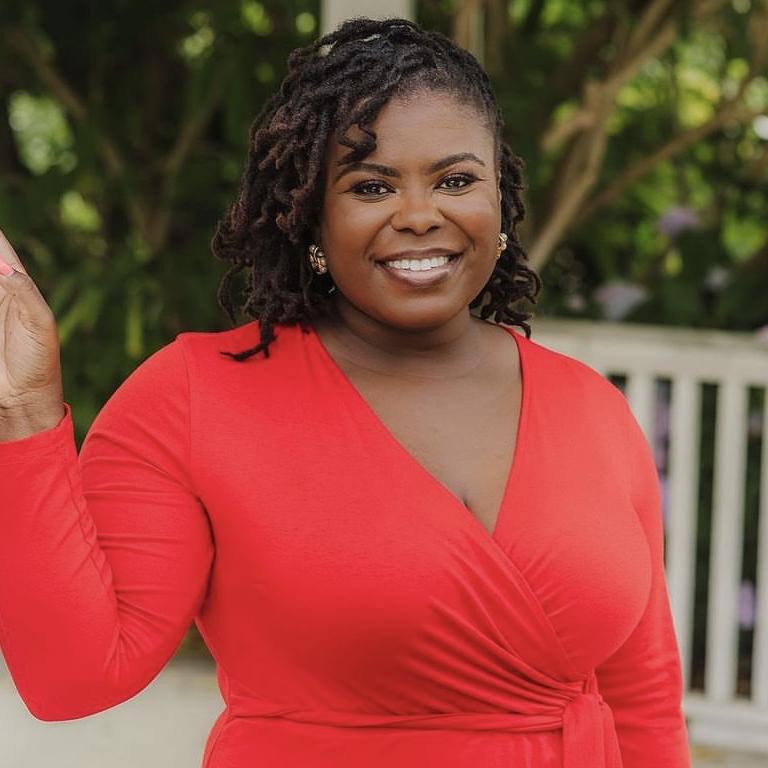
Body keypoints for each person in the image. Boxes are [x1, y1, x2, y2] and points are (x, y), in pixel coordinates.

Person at [0, 17, 690, 768]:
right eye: (371, 186)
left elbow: (642, 700)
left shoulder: (591, 408)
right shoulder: (196, 397)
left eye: (456, 180)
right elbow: (72, 679)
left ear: (500, 198)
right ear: (310, 215)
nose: (420, 215)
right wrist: (24, 411)